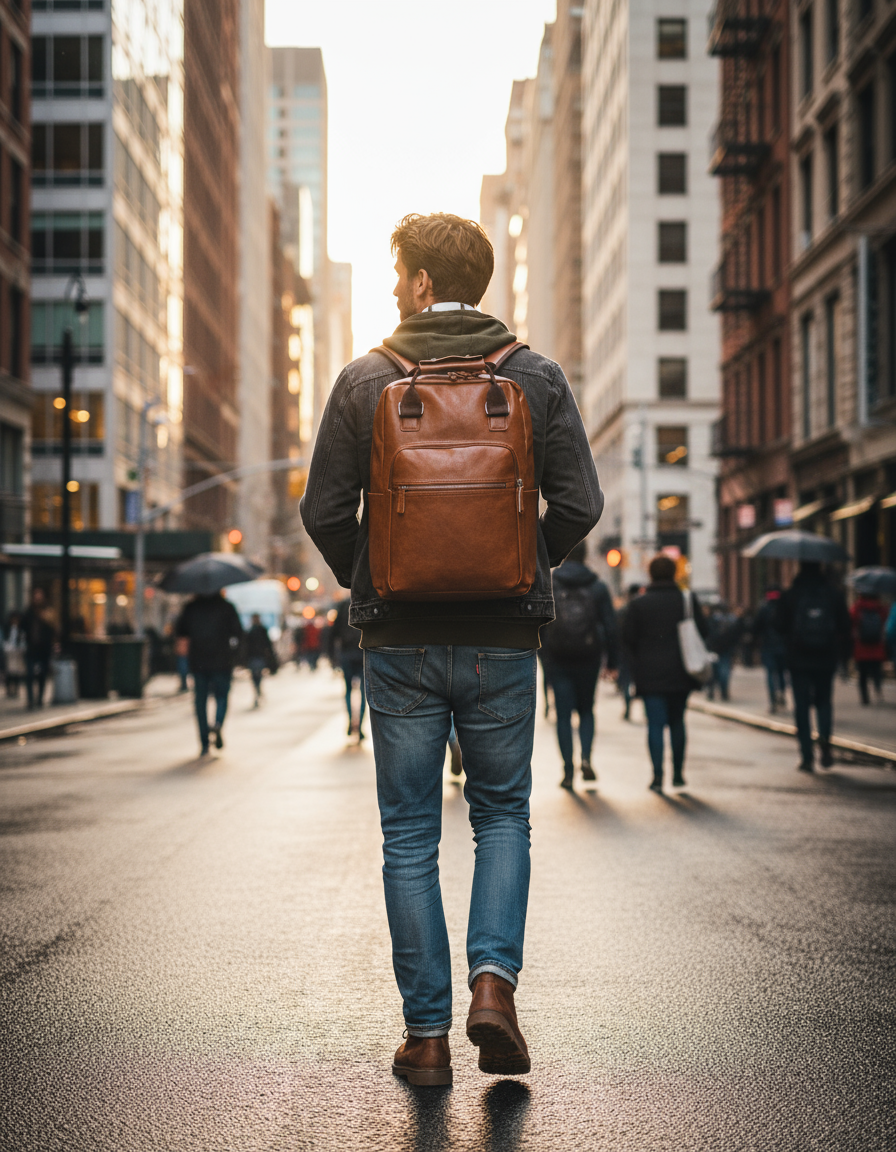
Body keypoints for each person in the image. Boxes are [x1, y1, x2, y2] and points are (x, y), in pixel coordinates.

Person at [300, 212, 602, 1085]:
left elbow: (323, 512)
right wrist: (517, 564)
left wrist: (377, 576)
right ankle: (494, 989)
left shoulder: (368, 378)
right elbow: (580, 503)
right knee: (503, 814)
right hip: (502, 637)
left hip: (396, 638)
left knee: (408, 836)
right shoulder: (534, 376)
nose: (395, 290)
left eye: (400, 275)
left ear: (426, 283)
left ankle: (426, 1040)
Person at [622, 555, 708, 792]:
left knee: (655, 725)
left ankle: (657, 775)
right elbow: (704, 631)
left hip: (650, 674)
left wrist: (636, 666)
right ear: (674, 573)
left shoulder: (639, 604)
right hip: (682, 671)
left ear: (650, 574)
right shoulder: (686, 600)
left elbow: (627, 639)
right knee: (678, 722)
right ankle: (678, 773)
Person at [541, 541, 618, 788]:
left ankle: (567, 771)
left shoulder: (551, 583)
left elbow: (540, 622)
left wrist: (543, 656)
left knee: (563, 716)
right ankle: (586, 758)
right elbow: (611, 627)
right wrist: (613, 662)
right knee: (586, 711)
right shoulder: (597, 587)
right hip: (589, 657)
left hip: (558, 658)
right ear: (586, 555)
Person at [775, 561, 850, 773]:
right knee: (824, 702)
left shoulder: (792, 594)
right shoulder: (833, 594)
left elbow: (778, 625)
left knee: (801, 706)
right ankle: (825, 741)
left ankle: (806, 755)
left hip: (798, 660)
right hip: (826, 658)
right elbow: (845, 625)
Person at [175, 591, 243, 756]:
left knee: (200, 701)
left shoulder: (191, 608)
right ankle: (218, 723)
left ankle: (204, 742)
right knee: (222, 696)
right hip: (222, 662)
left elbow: (180, 632)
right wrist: (234, 655)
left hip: (198, 662)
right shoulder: (227, 607)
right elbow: (238, 633)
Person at [330, 598, 366, 739]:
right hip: (362, 652)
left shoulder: (343, 605)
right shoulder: (365, 601)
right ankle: (360, 725)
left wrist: (332, 656)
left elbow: (334, 632)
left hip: (347, 654)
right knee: (364, 692)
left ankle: (351, 721)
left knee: (348, 691)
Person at [753, 586, 788, 712]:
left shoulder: (764, 609)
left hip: (768, 646)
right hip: (783, 646)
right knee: (781, 673)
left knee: (770, 673)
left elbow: (756, 627)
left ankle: (773, 699)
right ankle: (782, 692)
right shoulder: (784, 608)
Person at [850, 591, 888, 706]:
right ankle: (878, 689)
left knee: (862, 674)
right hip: (877, 647)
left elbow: (851, 621)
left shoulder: (857, 607)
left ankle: (865, 697)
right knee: (876, 670)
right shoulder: (880, 608)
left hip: (861, 647)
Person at [20, 589, 56, 710]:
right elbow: (22, 626)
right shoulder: (29, 611)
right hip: (31, 648)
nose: (37, 598)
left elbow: (53, 629)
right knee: (29, 674)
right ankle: (30, 700)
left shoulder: (48, 611)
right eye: (35, 596)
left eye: (39, 596)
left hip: (44, 649)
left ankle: (40, 699)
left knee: (42, 674)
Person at [704, 601, 742, 702]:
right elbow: (736, 636)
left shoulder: (712, 620)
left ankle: (711, 691)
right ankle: (723, 691)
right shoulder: (732, 621)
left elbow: (707, 634)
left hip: (713, 649)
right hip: (726, 650)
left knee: (713, 672)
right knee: (724, 671)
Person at [615, 584, 642, 721]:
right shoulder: (644, 609)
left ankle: (627, 708)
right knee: (641, 682)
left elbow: (616, 632)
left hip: (624, 652)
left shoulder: (622, 611)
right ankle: (645, 710)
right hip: (641, 653)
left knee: (626, 682)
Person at [245, 613, 275, 707]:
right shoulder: (257, 630)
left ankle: (258, 691)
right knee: (257, 676)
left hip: (256, 657)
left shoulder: (252, 630)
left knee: (256, 676)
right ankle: (258, 691)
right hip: (256, 656)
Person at [2, 611, 26, 699]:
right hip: (9, 652)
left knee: (16, 672)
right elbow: (4, 640)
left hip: (17, 652)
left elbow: (23, 640)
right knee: (9, 672)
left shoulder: (20, 630)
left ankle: (16, 689)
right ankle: (9, 689)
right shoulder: (7, 629)